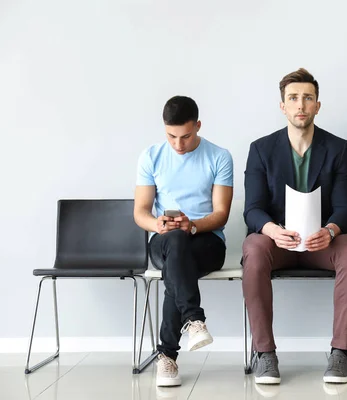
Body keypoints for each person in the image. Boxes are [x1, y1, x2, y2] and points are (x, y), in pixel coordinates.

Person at [242, 68, 347, 385]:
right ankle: (265, 355)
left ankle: (340, 353)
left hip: (321, 244)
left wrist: (332, 231)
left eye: (307, 98)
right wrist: (271, 230)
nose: (300, 105)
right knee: (253, 248)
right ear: (282, 106)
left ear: (317, 106)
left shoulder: (338, 149)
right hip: (277, 243)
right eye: (293, 98)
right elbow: (252, 209)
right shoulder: (261, 149)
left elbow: (345, 208)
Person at [133, 96, 233, 387]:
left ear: (198, 126)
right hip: (163, 241)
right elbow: (140, 212)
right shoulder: (150, 156)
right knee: (175, 245)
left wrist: (193, 226)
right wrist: (157, 224)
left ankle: (167, 358)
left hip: (207, 241)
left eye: (186, 136)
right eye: (171, 136)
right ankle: (194, 321)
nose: (178, 145)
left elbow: (221, 215)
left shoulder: (219, 156)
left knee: (176, 267)